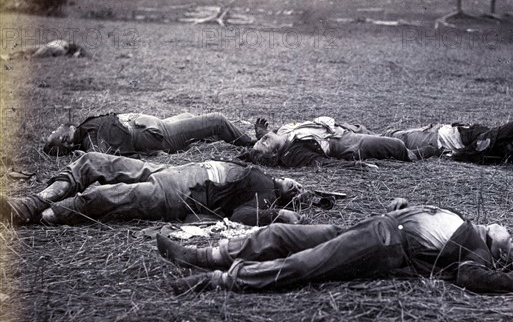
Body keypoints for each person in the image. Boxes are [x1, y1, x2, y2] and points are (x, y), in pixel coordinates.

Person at [158, 197, 513, 294]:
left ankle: (217, 280)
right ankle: (202, 254)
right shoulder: (468, 223)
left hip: (383, 245)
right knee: (281, 235)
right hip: (374, 226)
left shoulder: (478, 250)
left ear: (501, 253)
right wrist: (405, 205)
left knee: (306, 264)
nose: (511, 231)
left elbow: (474, 278)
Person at [0, 152, 305, 226]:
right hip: (170, 172)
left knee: (104, 197)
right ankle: (34, 201)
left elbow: (240, 216)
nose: (296, 186)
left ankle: (38, 217)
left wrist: (280, 213)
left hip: (178, 196)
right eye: (297, 183)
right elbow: (258, 149)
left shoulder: (266, 197)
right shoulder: (260, 171)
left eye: (297, 191)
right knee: (93, 160)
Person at [241, 116, 439, 167]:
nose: (264, 139)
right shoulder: (294, 153)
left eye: (261, 140)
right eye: (265, 142)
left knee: (394, 136)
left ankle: (430, 138)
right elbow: (323, 163)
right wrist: (354, 166)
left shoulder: (281, 132)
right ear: (276, 153)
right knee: (395, 146)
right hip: (347, 142)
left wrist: (262, 134)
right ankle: (423, 153)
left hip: (346, 128)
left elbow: (266, 139)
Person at [43, 112, 255, 156]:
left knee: (190, 116)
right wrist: (83, 155)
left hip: (157, 125)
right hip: (161, 134)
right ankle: (253, 145)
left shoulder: (85, 129)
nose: (55, 128)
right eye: (53, 133)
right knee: (216, 121)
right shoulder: (90, 140)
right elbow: (100, 157)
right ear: (65, 138)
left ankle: (222, 137)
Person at [384, 120, 513, 164]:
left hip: (435, 138)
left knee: (391, 138)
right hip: (436, 135)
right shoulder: (492, 141)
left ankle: (361, 133)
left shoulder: (493, 144)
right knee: (391, 136)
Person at [1, 39, 86, 60]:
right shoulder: (63, 43)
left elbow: (79, 49)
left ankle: (11, 57)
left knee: (33, 55)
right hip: (46, 46)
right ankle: (9, 56)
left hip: (49, 48)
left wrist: (77, 52)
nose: (72, 42)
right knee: (26, 49)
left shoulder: (64, 50)